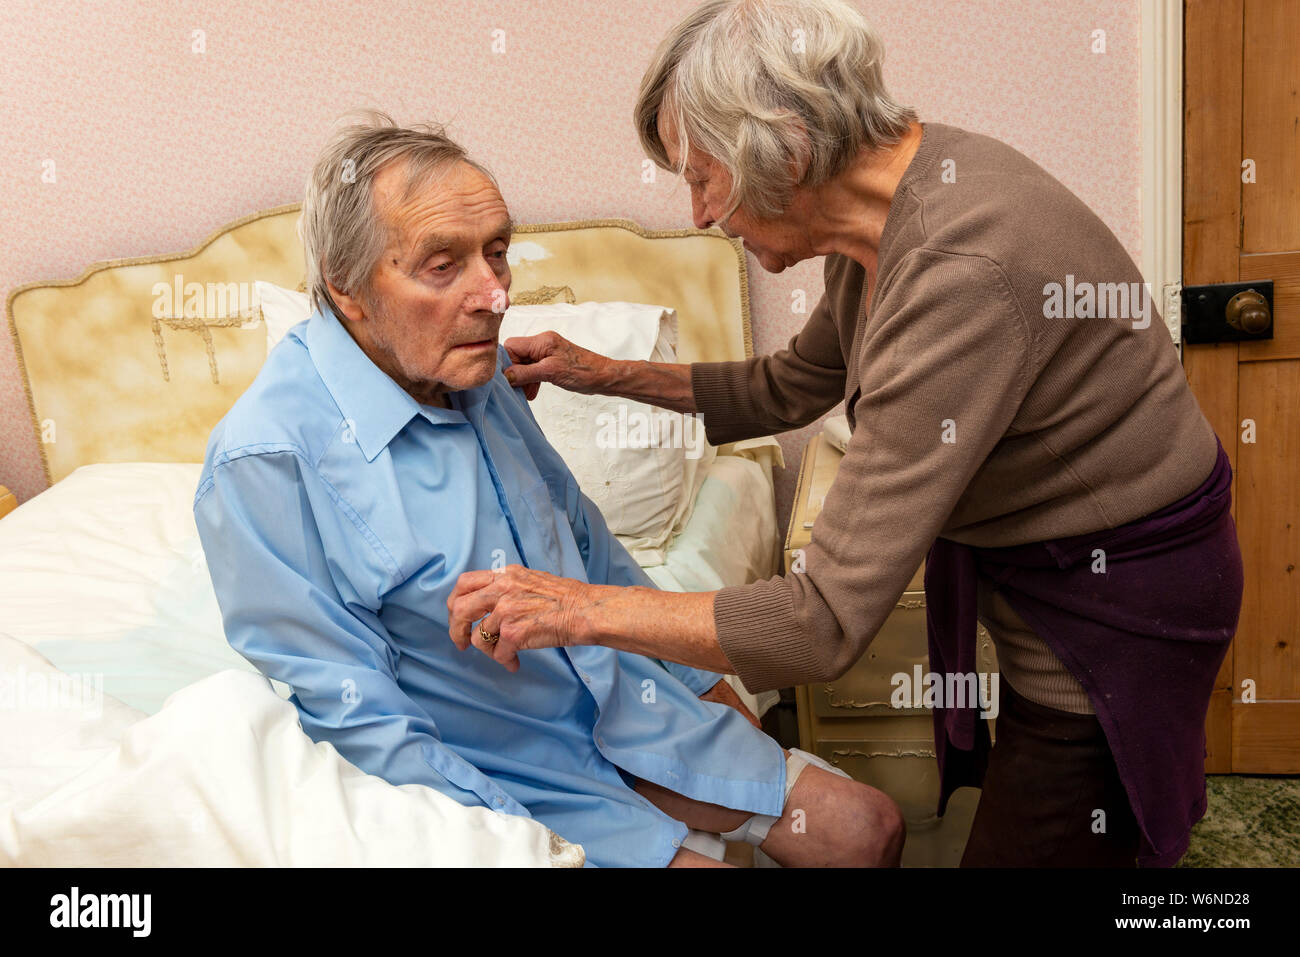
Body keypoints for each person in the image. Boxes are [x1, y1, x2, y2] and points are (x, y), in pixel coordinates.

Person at [447, 0, 1243, 867]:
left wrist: (577, 607)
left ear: (784, 152)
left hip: (1118, 606)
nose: (702, 214)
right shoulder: (891, 209)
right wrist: (597, 370)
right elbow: (790, 384)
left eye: (702, 175)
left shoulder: (958, 272)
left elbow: (822, 622)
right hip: (1053, 580)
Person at [193, 111, 904, 868]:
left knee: (869, 827)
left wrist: (719, 708)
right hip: (507, 772)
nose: (493, 295)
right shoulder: (263, 463)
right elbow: (364, 726)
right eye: (443, 265)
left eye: (496, 254)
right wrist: (532, 844)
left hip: (628, 703)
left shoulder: (472, 368)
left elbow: (592, 550)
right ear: (348, 287)